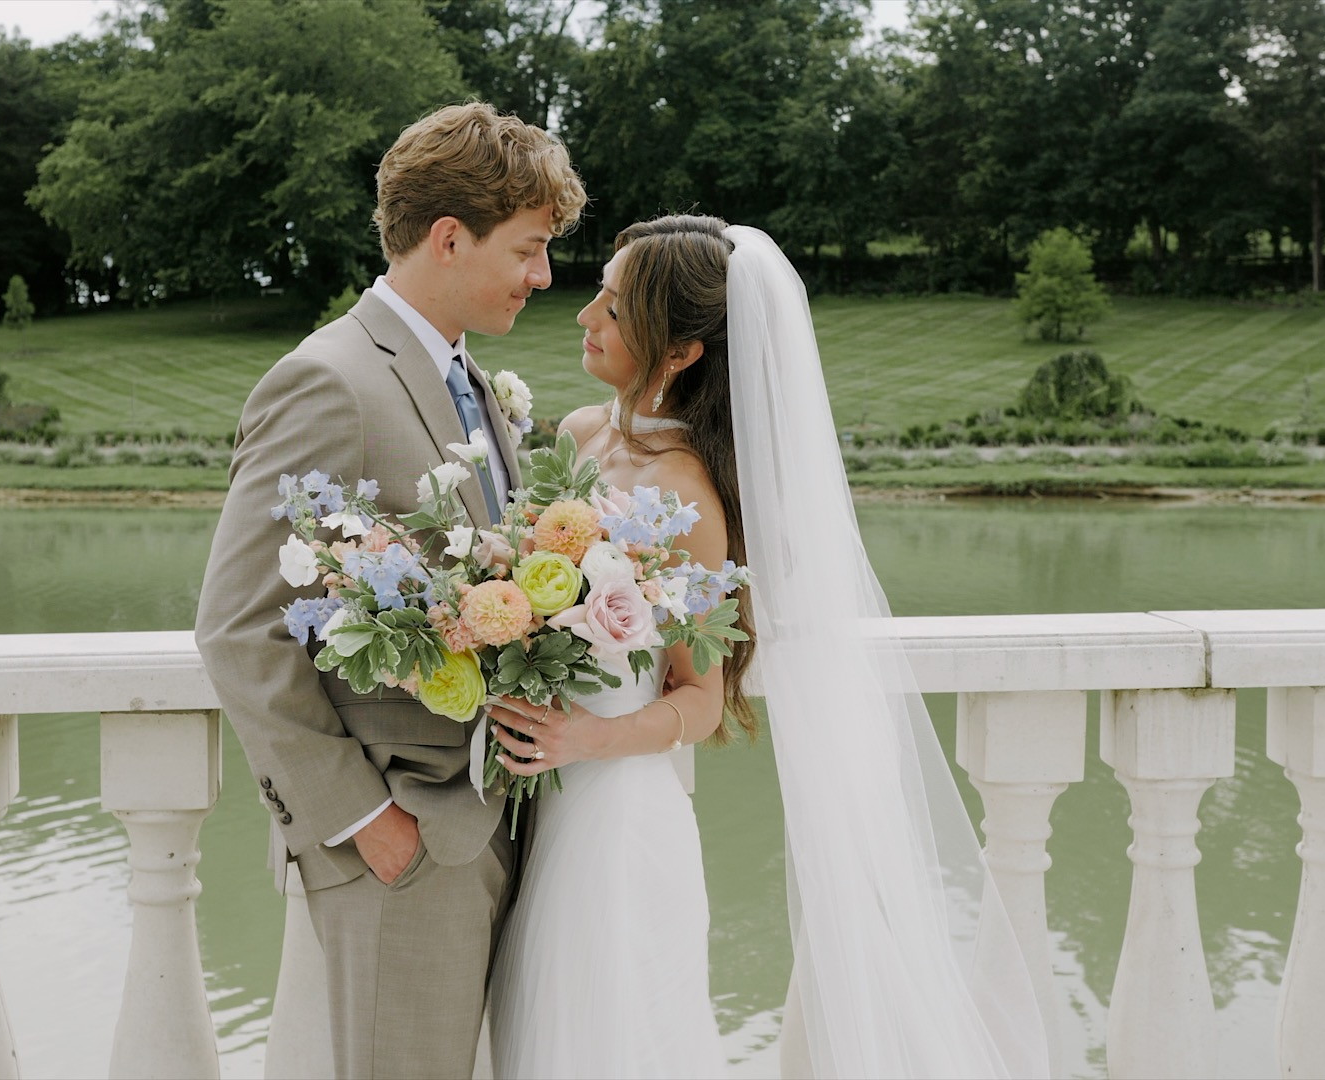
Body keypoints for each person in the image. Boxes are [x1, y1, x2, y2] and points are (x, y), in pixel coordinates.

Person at [483, 216, 1051, 1079]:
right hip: (539, 800)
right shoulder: (578, 433)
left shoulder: (687, 501)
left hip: (614, 816)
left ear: (679, 354)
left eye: (614, 301)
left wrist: (585, 737)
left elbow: (699, 699)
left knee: (606, 1038)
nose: (583, 313)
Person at [193, 102, 585, 1080]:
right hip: (404, 843)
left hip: (498, 819)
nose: (543, 276)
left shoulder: (476, 385)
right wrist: (363, 822)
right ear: (450, 237)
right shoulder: (328, 380)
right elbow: (239, 627)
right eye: (529, 250)